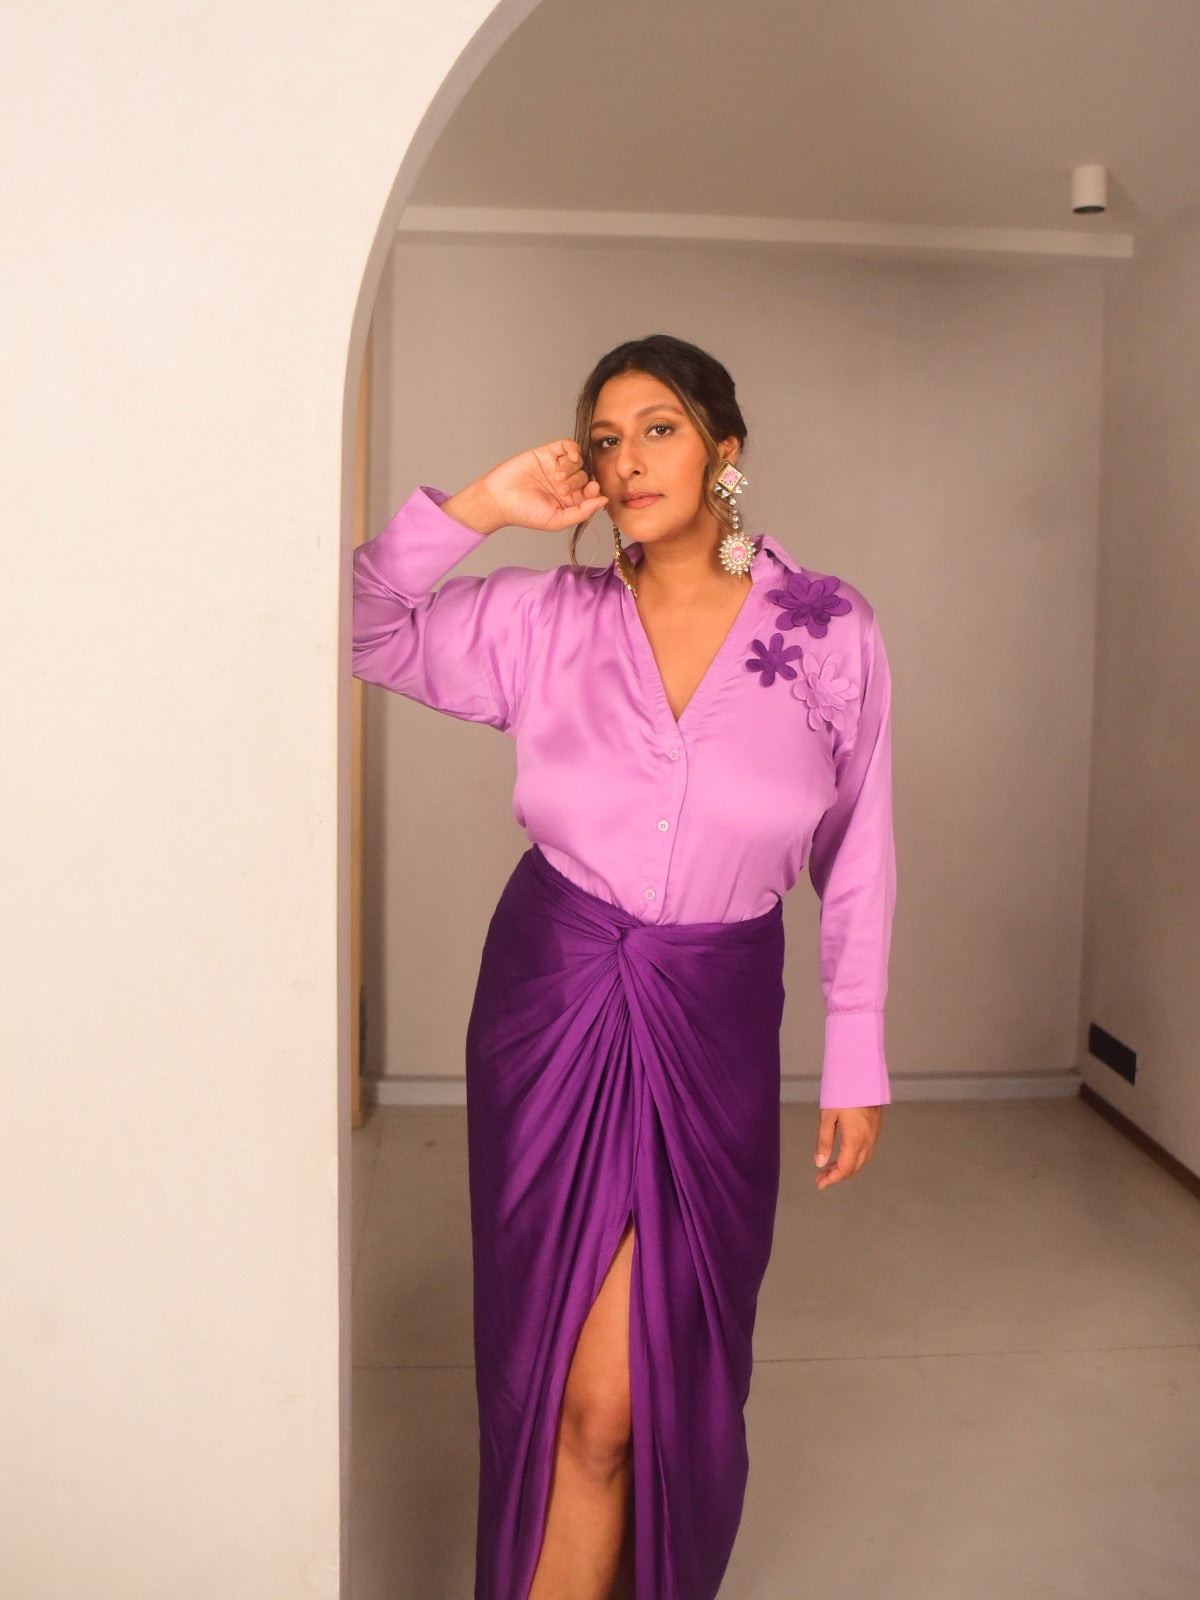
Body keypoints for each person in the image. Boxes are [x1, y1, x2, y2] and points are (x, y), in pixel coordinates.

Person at [352, 333, 897, 1600]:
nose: (629, 459)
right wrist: (486, 504)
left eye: (659, 428)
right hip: (553, 1001)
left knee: (648, 1386)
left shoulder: (827, 628)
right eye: (606, 439)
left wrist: (856, 1046)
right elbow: (361, 623)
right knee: (570, 1391)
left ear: (724, 449)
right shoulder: (547, 619)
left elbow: (860, 846)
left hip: (714, 1016)